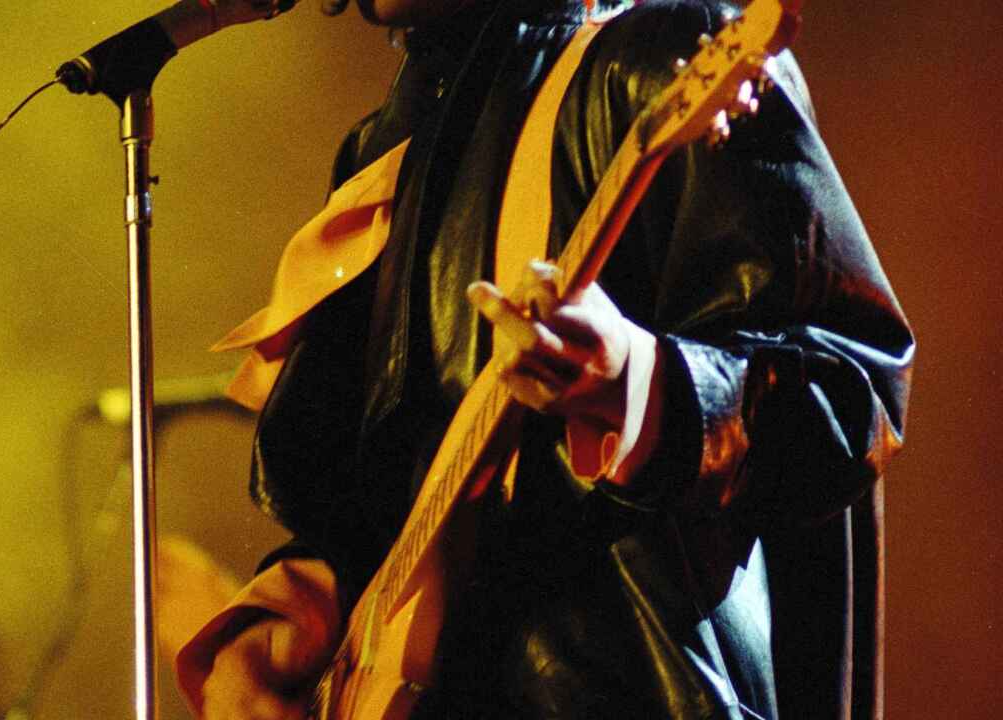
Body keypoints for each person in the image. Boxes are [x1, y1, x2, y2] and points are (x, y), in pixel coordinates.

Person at [178, 0, 913, 718]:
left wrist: (635, 378)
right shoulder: (384, 149)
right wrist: (288, 618)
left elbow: (854, 393)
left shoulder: (658, 60)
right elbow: (366, 501)